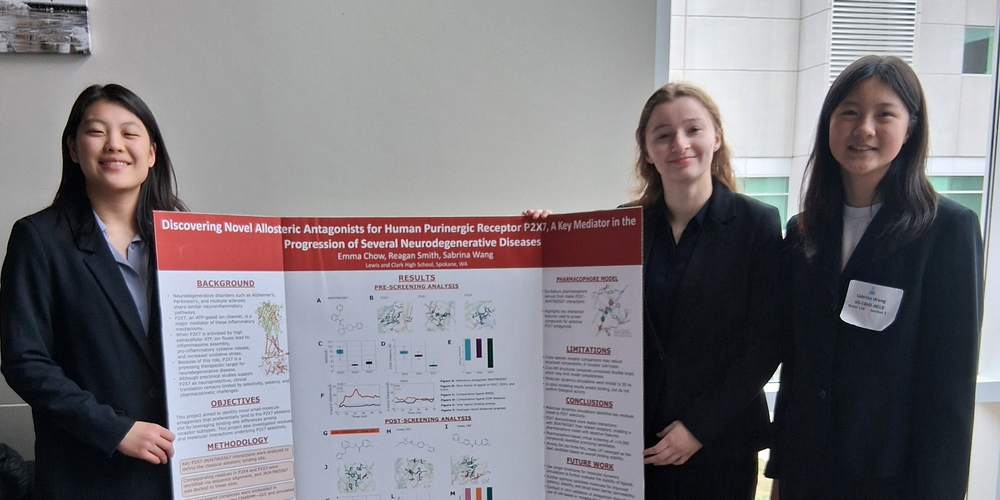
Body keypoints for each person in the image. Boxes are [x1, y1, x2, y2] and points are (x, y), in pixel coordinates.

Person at [527, 81, 782, 498]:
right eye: (663, 135)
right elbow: (581, 303)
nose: (679, 143)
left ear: (716, 137)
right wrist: (547, 236)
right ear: (647, 150)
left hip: (718, 447)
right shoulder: (623, 224)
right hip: (631, 446)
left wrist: (698, 428)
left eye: (693, 130)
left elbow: (765, 344)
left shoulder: (758, 224)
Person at [766, 55, 984, 499]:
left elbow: (949, 391)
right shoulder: (803, 229)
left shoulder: (946, 231)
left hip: (890, 481)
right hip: (804, 474)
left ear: (910, 128)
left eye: (884, 114)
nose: (863, 128)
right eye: (848, 111)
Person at [0, 84, 187, 499]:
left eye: (129, 133)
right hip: (88, 473)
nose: (114, 145)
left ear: (152, 153)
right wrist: (115, 429)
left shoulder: (186, 238)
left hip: (181, 469)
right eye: (97, 132)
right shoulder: (39, 238)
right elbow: (24, 361)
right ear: (72, 148)